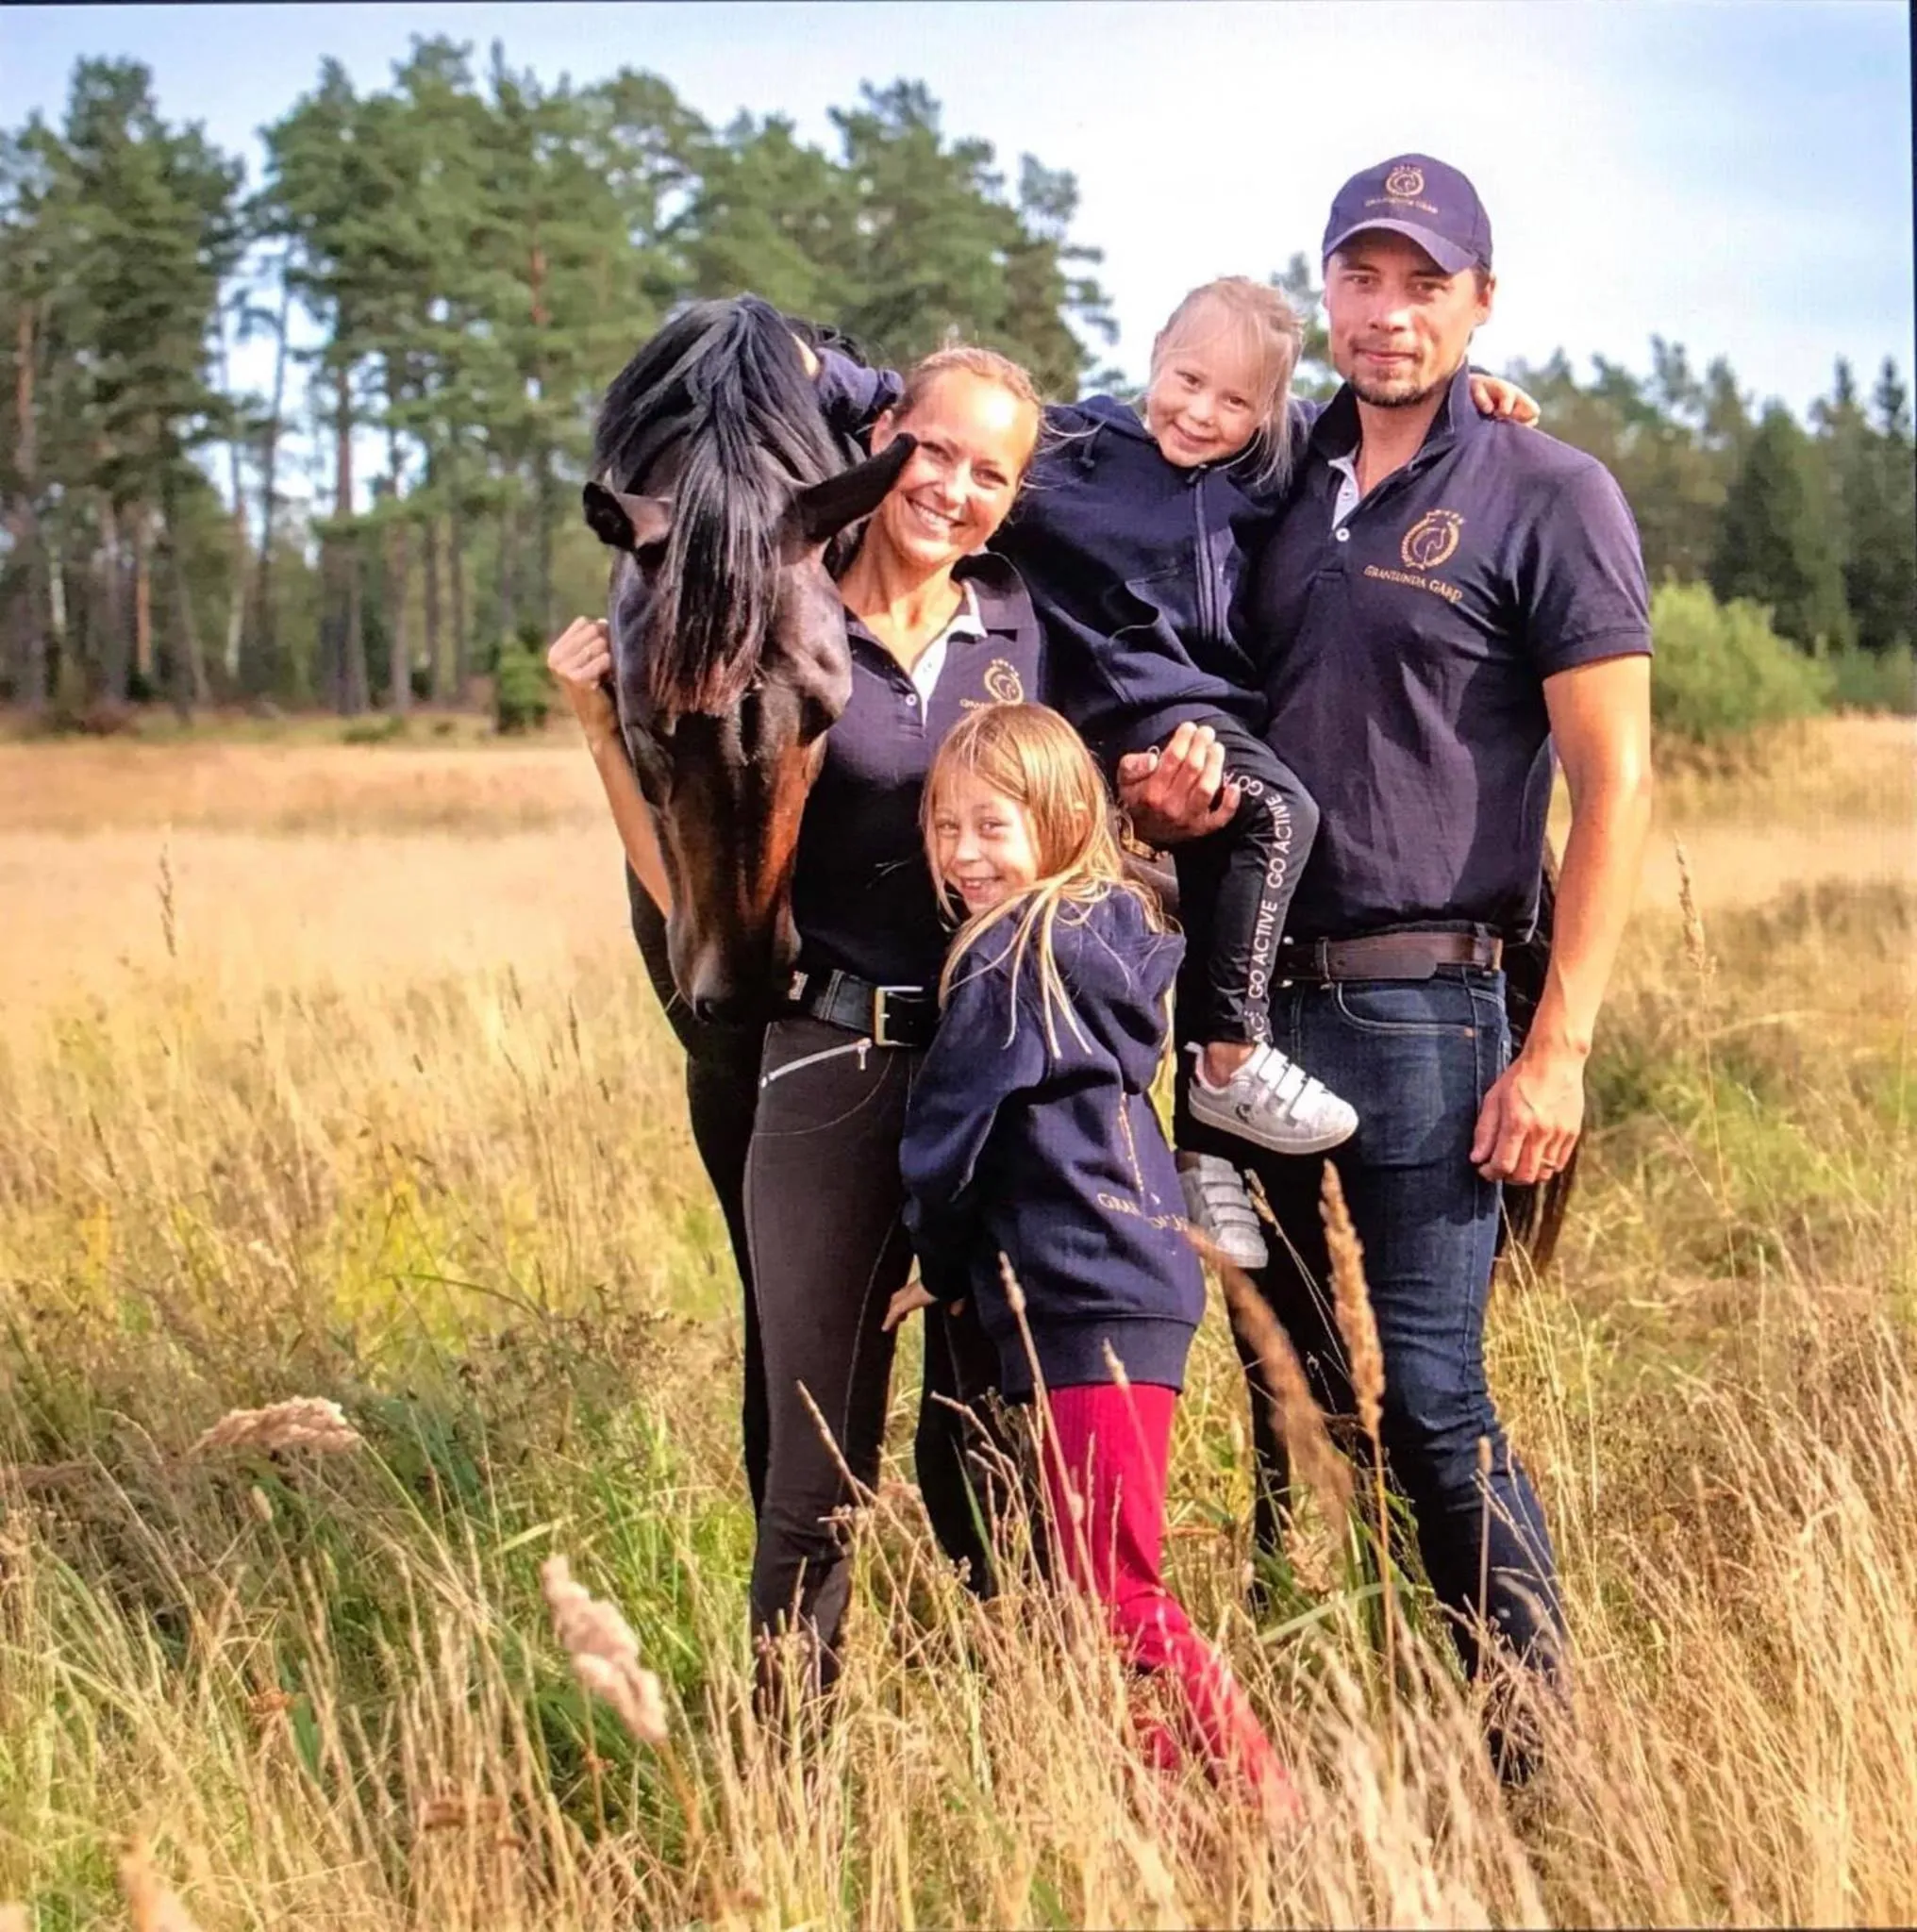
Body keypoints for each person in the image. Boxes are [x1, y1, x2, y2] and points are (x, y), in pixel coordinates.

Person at [1135, 154, 1654, 1774]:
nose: (1388, 309)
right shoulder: (1276, 484)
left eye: (1424, 282)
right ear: (1326, 297)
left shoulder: (1545, 489)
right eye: (1360, 278)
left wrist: (1556, 1041)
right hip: (1239, 1010)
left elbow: (1615, 779)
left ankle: (1532, 1762)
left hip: (1432, 1009)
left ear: (1478, 302)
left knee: (1432, 1399)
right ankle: (1343, 1732)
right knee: (1290, 1405)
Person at [806, 287, 1537, 1274]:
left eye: (1233, 403)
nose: (1199, 414)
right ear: (1151, 353)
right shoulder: (1078, 450)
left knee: (1245, 841)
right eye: (1185, 380)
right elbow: (947, 412)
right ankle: (1228, 1057)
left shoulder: (1269, 473)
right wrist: (825, 374)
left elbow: (1370, 429)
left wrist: (1465, 400)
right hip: (1113, 709)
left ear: (1266, 416)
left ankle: (1199, 1139)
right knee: (1282, 812)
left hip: (1208, 712)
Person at [550, 344, 1046, 1710]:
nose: (948, 488)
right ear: (878, 447)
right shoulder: (774, 619)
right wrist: (603, 734)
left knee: (997, 1437)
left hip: (992, 1073)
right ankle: (784, 1785)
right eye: (927, 452)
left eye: (988, 470)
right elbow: (704, 880)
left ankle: (1024, 1733)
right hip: (832, 1053)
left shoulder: (1023, 626)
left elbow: (1186, 456)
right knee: (812, 1468)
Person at [898, 702, 1293, 1816]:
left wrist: (933, 1254)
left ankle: (1273, 1800)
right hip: (1132, 1286)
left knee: (1117, 1591)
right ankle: (1159, 1803)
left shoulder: (1004, 954)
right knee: (1088, 1586)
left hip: (1084, 1295)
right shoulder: (1114, 925)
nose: (965, 854)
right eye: (945, 827)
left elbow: (948, 1131)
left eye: (993, 826)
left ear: (1064, 820)